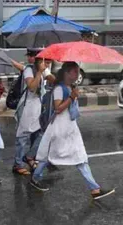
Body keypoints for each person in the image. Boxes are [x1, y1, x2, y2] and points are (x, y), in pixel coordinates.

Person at [30, 62, 115, 200]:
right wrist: (72, 97)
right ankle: (35, 178)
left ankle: (94, 189)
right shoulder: (59, 88)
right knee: (48, 155)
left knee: (80, 157)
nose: (77, 74)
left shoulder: (71, 87)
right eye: (75, 72)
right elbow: (57, 109)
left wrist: (73, 95)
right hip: (59, 128)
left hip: (70, 128)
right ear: (67, 73)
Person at [13, 55, 54, 175]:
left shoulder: (43, 69)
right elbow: (31, 87)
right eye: (46, 62)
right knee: (23, 136)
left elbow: (51, 77)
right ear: (39, 61)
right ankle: (18, 164)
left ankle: (30, 156)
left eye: (49, 62)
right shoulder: (29, 70)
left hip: (38, 106)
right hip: (27, 107)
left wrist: (64, 82)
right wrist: (39, 73)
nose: (47, 65)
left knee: (41, 133)